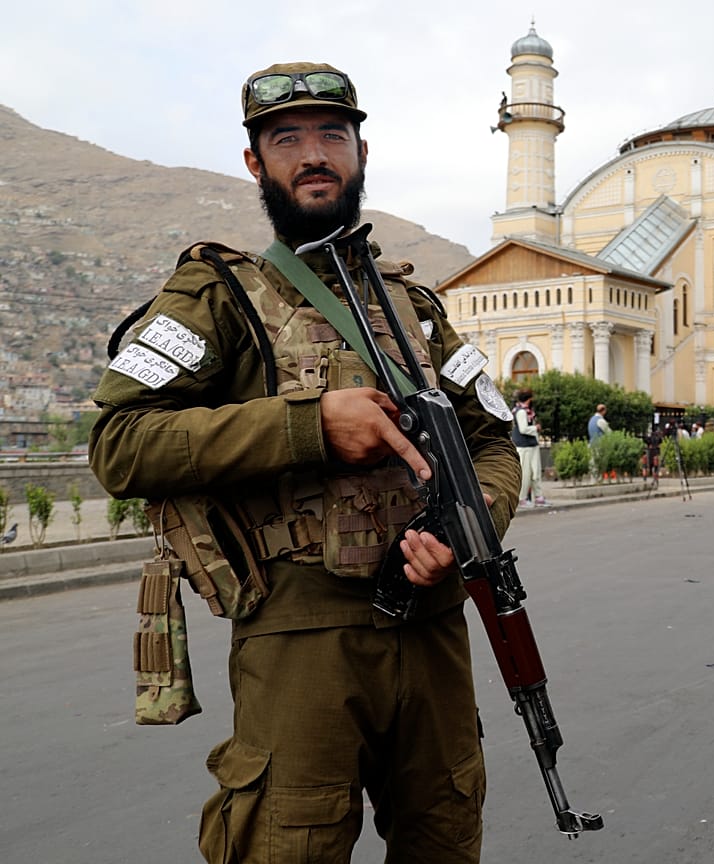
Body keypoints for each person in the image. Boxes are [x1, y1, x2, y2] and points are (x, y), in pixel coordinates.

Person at [88, 62, 520, 861]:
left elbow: (492, 439)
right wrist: (308, 425)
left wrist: (471, 522)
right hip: (300, 638)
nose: (313, 154)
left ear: (361, 151)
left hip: (433, 631)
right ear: (255, 162)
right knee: (291, 844)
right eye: (286, 139)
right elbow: (121, 441)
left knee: (447, 835)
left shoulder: (419, 309)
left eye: (332, 134)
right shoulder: (216, 296)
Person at [512, 389, 547, 507]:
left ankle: (538, 497)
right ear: (529, 399)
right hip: (524, 446)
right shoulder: (521, 412)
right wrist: (535, 428)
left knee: (535, 472)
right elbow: (523, 429)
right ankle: (522, 498)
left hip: (531, 445)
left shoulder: (526, 411)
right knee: (526, 473)